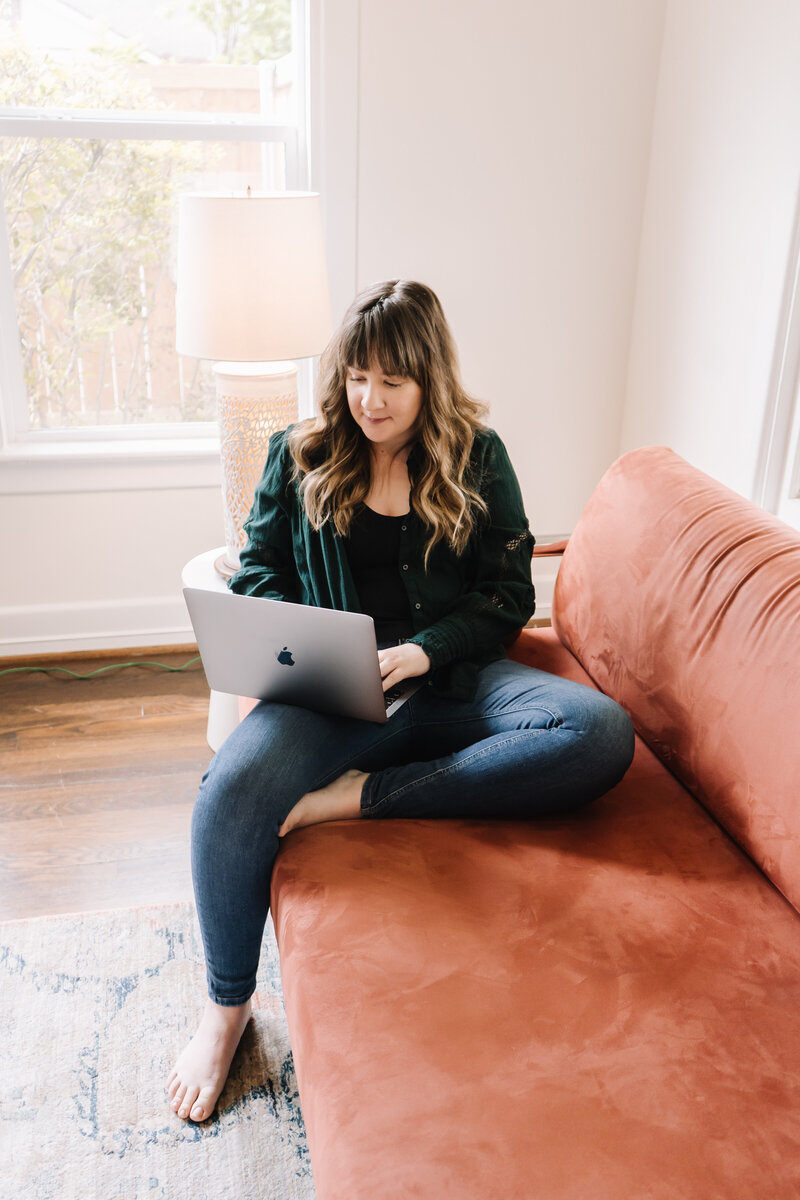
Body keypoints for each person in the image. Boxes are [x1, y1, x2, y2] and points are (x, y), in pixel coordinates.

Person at [167, 279, 635, 1123]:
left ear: (429, 380)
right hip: (334, 693)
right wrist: (312, 642)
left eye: (392, 381)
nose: (368, 400)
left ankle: (361, 795)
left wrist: (422, 649)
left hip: (451, 681)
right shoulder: (299, 452)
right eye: (355, 377)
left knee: (595, 729)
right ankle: (226, 1009)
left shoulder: (478, 456)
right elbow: (261, 566)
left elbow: (505, 594)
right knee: (226, 799)